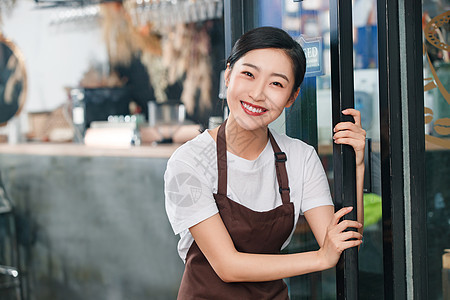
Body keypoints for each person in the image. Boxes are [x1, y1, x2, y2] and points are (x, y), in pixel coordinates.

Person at [164, 26, 366, 299]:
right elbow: (228, 266)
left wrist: (358, 165)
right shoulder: (188, 162)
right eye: (248, 74)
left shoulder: (301, 158)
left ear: (292, 97)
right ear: (228, 75)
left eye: (276, 84)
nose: (258, 94)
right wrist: (320, 258)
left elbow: (341, 245)